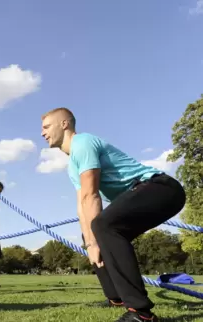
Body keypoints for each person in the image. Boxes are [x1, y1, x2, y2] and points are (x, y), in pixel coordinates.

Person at [41, 107, 186, 322]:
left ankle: (141, 313)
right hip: (142, 193)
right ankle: (116, 297)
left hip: (162, 188)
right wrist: (90, 243)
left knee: (103, 226)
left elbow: (91, 195)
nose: (43, 133)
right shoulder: (72, 165)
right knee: (92, 233)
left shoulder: (83, 142)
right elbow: (82, 205)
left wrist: (95, 239)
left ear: (64, 124)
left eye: (46, 127)